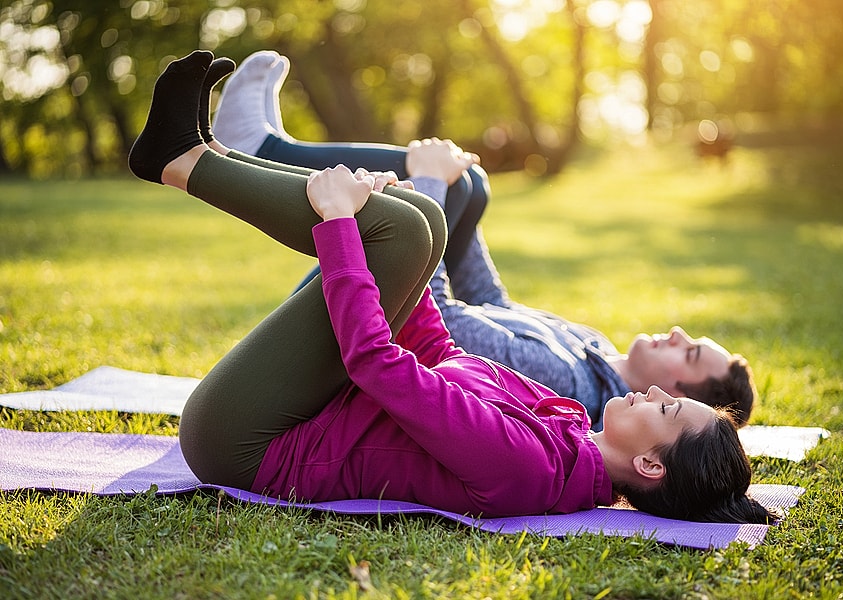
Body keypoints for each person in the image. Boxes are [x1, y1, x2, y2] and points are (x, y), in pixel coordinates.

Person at [129, 49, 774, 524]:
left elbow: (376, 364)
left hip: (246, 443)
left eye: (666, 407)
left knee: (401, 234)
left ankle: (187, 159)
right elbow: (444, 355)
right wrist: (400, 259)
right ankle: (200, 153)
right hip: (304, 412)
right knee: (423, 221)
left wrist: (342, 232)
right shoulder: (571, 423)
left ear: (651, 468)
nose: (656, 392)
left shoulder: (527, 466)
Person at [211, 51, 758, 429]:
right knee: (472, 184)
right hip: (392, 307)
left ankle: (257, 149)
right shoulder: (593, 348)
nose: (678, 332)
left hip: (368, 325)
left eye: (689, 352)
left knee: (435, 188)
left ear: (679, 397)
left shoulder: (570, 383)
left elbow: (439, 322)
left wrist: (427, 184)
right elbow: (491, 303)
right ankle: (263, 147)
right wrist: (453, 186)